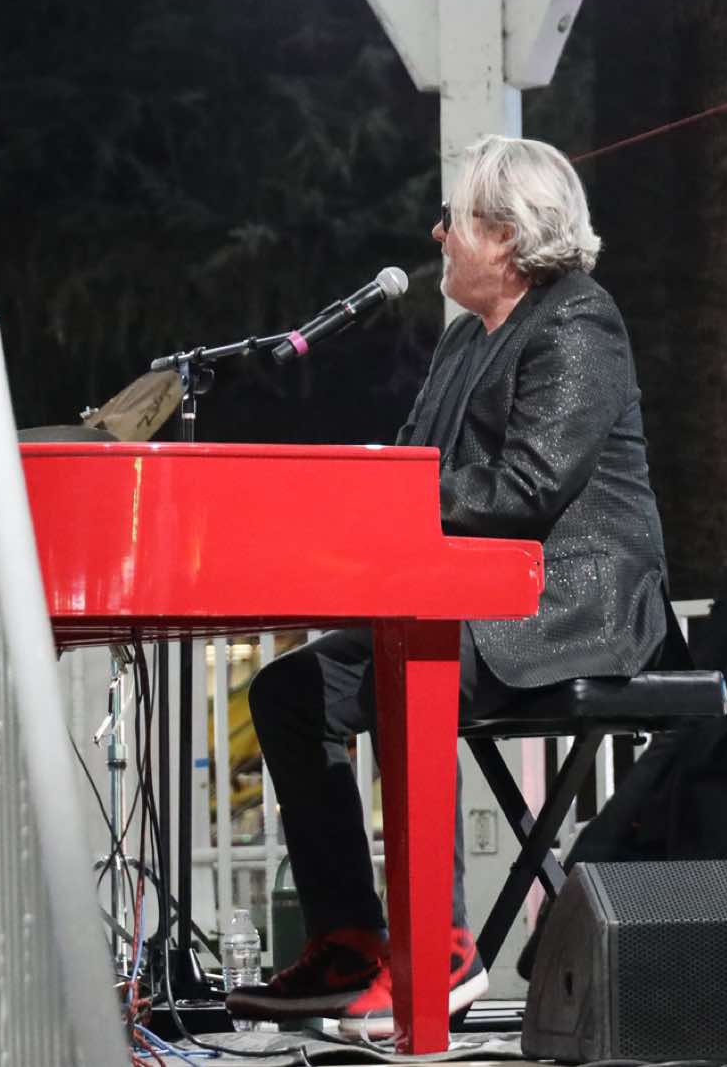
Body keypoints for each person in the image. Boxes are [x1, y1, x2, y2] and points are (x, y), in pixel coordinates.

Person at [225, 136, 674, 1037]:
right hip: (472, 602)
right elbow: (414, 466)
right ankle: (350, 943)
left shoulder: (580, 321)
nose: (437, 235)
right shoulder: (466, 338)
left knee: (410, 667)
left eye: (453, 219)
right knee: (287, 689)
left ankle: (441, 949)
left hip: (575, 603)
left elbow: (529, 485)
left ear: (506, 235)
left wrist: (389, 495)